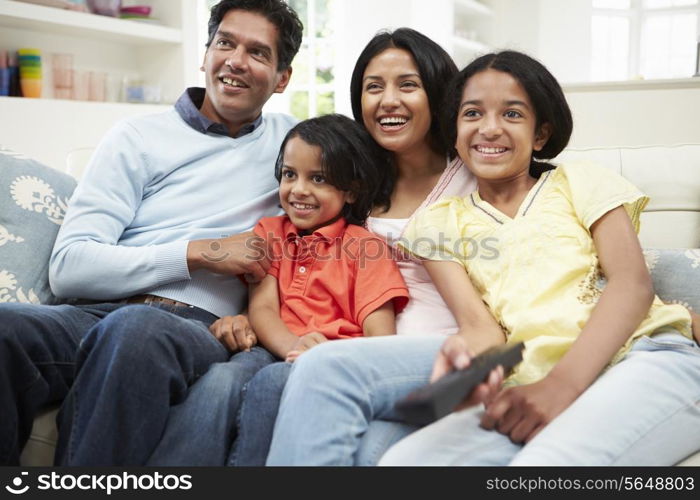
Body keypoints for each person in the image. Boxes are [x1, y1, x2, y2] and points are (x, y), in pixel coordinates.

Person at [0, 0, 303, 466]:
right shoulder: (135, 138)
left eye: (259, 53)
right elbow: (69, 268)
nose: (236, 60)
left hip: (194, 326)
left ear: (282, 78)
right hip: (94, 313)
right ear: (204, 56)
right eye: (225, 42)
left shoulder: (296, 145)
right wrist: (199, 253)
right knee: (7, 327)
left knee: (135, 330)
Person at [378, 50, 700, 465]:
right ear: (455, 131)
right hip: (530, 383)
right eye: (472, 114)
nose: (489, 129)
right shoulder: (436, 223)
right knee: (403, 464)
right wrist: (461, 371)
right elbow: (480, 329)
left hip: (642, 359)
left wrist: (561, 387)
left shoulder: (580, 181)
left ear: (541, 134)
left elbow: (632, 285)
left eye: (512, 115)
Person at [264, 28, 486, 466]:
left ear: (438, 92)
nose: (388, 101)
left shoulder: (473, 174)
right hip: (364, 355)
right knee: (369, 454)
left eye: (408, 84)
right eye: (373, 87)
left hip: (442, 350)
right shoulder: (352, 180)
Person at [223, 114, 409, 466]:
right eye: (290, 174)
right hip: (278, 348)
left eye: (318, 179)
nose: (299, 190)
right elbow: (262, 308)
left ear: (351, 191)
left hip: (334, 362)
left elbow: (380, 339)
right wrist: (296, 349)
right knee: (223, 379)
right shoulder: (270, 231)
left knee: (272, 383)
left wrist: (319, 361)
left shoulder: (365, 248)